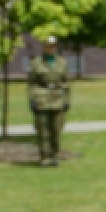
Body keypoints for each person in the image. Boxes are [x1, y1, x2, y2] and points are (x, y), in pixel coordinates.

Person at [26, 35, 70, 167]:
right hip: (41, 98)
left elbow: (66, 83)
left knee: (56, 129)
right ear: (43, 47)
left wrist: (67, 100)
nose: (50, 48)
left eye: (53, 46)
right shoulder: (36, 62)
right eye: (48, 46)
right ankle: (45, 156)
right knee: (43, 129)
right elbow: (32, 83)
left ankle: (54, 155)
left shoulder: (62, 62)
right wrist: (32, 99)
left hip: (57, 98)